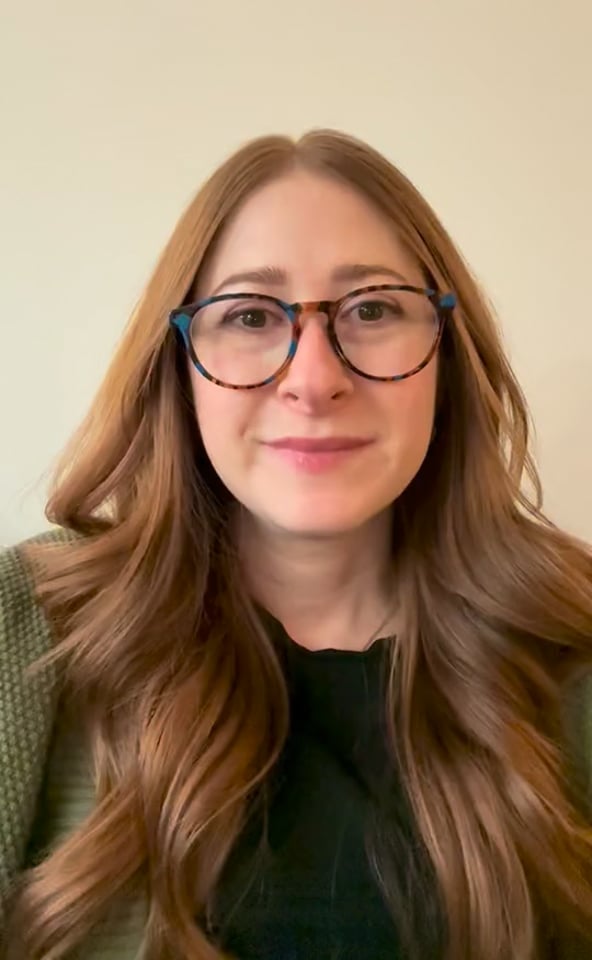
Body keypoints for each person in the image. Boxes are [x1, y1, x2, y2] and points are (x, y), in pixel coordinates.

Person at [1, 129, 591, 960]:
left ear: (447, 356)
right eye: (249, 315)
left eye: (373, 310)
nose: (314, 380)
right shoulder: (25, 626)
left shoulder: (571, 640)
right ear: (179, 366)